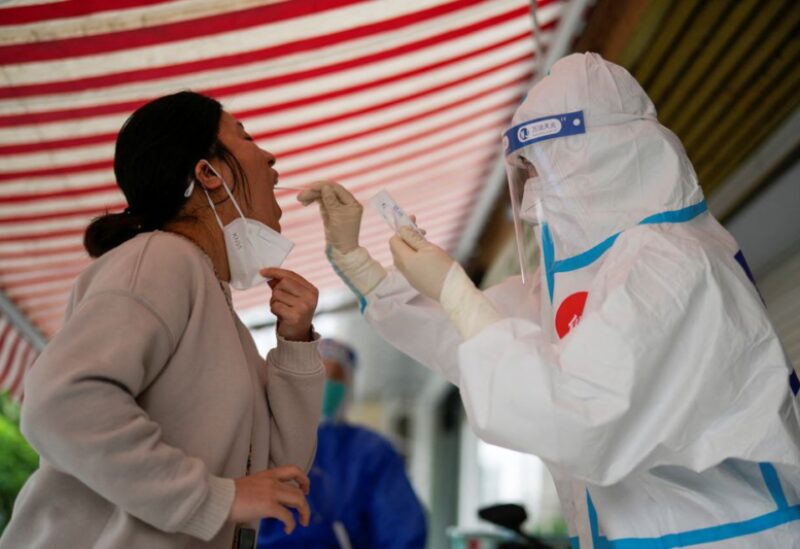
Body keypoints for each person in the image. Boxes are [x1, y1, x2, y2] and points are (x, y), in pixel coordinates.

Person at [298, 53, 800, 547]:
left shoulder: (673, 265)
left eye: (542, 167)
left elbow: (576, 418)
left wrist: (454, 287)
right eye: (527, 173)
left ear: (602, 158)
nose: (534, 197)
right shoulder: (575, 281)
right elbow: (471, 339)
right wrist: (360, 265)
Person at [0, 91, 325, 549]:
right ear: (208, 173)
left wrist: (295, 343)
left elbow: (279, 469)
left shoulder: (215, 301)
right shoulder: (161, 259)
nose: (269, 157)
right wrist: (208, 499)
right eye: (245, 137)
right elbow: (62, 403)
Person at [258, 338, 427, 548]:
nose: (326, 382)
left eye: (336, 375)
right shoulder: (267, 443)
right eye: (318, 373)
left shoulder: (371, 452)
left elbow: (401, 529)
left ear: (350, 387)